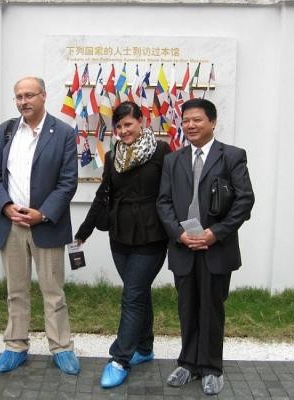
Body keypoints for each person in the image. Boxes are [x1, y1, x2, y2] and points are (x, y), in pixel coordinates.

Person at [156, 98, 255, 395]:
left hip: (216, 248)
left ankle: (212, 367)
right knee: (187, 307)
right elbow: (163, 202)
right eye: (186, 120)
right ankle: (188, 363)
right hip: (184, 246)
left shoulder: (232, 156)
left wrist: (216, 233)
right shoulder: (173, 159)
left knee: (211, 308)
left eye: (197, 120)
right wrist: (178, 233)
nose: (190, 125)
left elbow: (244, 201)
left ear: (212, 122)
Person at [0, 76, 80, 375]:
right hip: (11, 223)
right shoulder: (6, 131)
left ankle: (61, 347)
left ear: (43, 96)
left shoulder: (63, 133)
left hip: (46, 224)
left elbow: (68, 182)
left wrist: (43, 213)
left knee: (53, 291)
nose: (23, 101)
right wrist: (5, 206)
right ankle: (16, 345)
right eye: (19, 96)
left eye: (29, 95)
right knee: (16, 290)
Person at [75, 101, 171, 388]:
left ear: (142, 121)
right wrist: (85, 230)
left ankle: (120, 358)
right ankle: (144, 348)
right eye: (118, 127)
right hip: (119, 235)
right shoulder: (114, 155)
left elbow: (175, 192)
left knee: (132, 295)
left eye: (128, 124)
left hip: (151, 236)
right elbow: (103, 194)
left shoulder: (162, 152)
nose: (123, 131)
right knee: (138, 292)